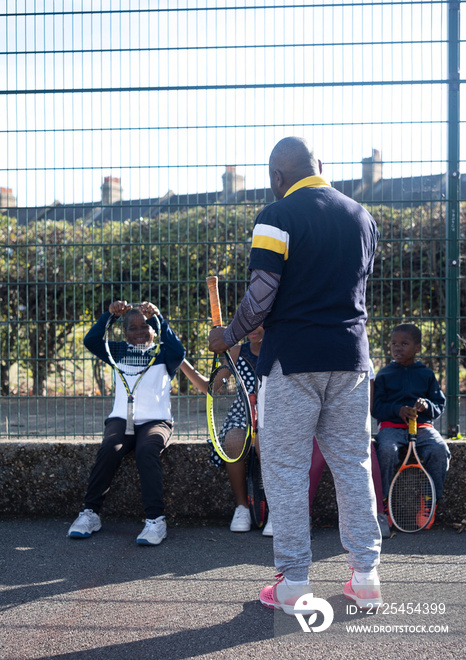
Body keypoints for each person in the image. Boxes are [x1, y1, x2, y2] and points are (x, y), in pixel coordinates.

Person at [209, 136, 382, 614]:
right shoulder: (362, 216)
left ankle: (292, 584)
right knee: (353, 464)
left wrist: (229, 334)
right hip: (351, 358)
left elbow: (262, 294)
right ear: (319, 167)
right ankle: (366, 577)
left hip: (292, 360)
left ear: (276, 177)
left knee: (285, 468)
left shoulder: (276, 215)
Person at [67, 300, 185, 545]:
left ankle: (155, 520)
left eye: (146, 326)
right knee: (110, 448)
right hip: (122, 419)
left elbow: (179, 351)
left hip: (156, 421)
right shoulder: (117, 351)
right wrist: (108, 315)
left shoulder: (164, 352)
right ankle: (90, 513)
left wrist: (157, 317)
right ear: (125, 332)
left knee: (146, 450)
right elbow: (90, 341)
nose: (140, 331)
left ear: (154, 329)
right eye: (133, 327)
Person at [180, 325, 273, 535]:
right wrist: (181, 361)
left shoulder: (279, 348)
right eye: (247, 322)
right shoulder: (238, 351)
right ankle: (242, 508)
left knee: (264, 442)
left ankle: (277, 510)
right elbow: (209, 387)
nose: (252, 328)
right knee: (233, 439)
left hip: (274, 414)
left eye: (259, 322)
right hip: (243, 415)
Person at [372, 323, 450, 529]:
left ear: (417, 348)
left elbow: (439, 405)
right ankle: (383, 504)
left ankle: (429, 498)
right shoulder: (384, 375)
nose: (397, 348)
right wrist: (397, 410)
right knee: (386, 450)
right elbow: (376, 408)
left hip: (422, 426)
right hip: (391, 427)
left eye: (404, 344)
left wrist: (427, 406)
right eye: (393, 344)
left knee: (439, 449)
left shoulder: (426, 375)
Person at [308, 361, 391, 539]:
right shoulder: (314, 352)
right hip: (318, 425)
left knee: (367, 453)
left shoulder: (362, 358)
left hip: (351, 425)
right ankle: (300, 517)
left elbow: (366, 406)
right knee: (315, 455)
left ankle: (378, 515)